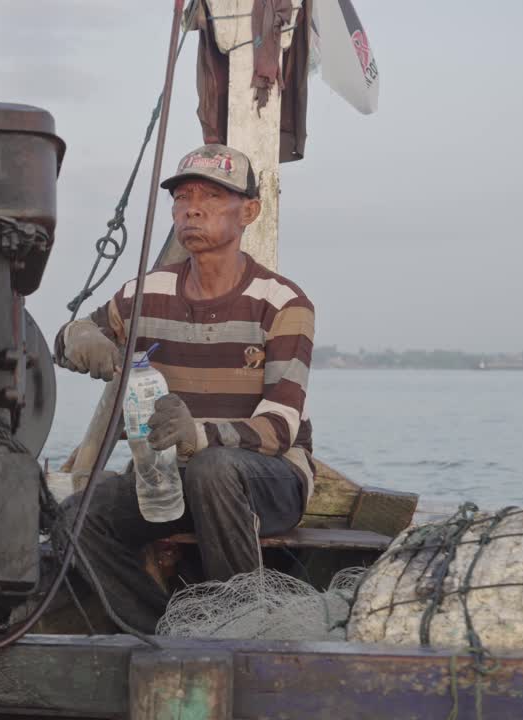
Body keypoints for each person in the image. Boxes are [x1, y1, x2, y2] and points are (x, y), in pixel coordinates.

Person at [55, 143, 316, 633]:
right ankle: (161, 630)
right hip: (170, 480)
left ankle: (240, 627)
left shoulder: (282, 303)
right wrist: (82, 340)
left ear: (250, 212)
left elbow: (280, 428)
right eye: (183, 197)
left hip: (269, 479)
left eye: (213, 197)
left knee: (213, 469)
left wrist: (196, 435)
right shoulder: (145, 293)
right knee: (77, 517)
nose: (192, 207)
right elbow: (65, 338)